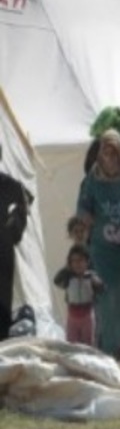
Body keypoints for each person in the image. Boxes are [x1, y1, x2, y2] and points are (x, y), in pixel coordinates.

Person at [76, 130, 120, 360]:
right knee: (106, 300)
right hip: (102, 252)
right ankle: (110, 347)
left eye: (114, 152)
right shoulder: (92, 180)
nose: (109, 157)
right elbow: (83, 205)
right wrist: (85, 216)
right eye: (105, 152)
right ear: (100, 155)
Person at [0, 144, 32, 341]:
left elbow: (25, 199)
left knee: (2, 302)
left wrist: (16, 222)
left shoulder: (5, 183)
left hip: (2, 249)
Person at [53, 244, 103, 346]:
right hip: (72, 316)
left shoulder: (91, 277)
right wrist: (67, 269)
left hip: (87, 316)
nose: (77, 264)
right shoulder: (68, 278)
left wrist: (97, 283)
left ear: (87, 262)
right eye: (74, 261)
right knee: (71, 343)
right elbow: (56, 281)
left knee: (88, 343)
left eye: (80, 260)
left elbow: (101, 288)